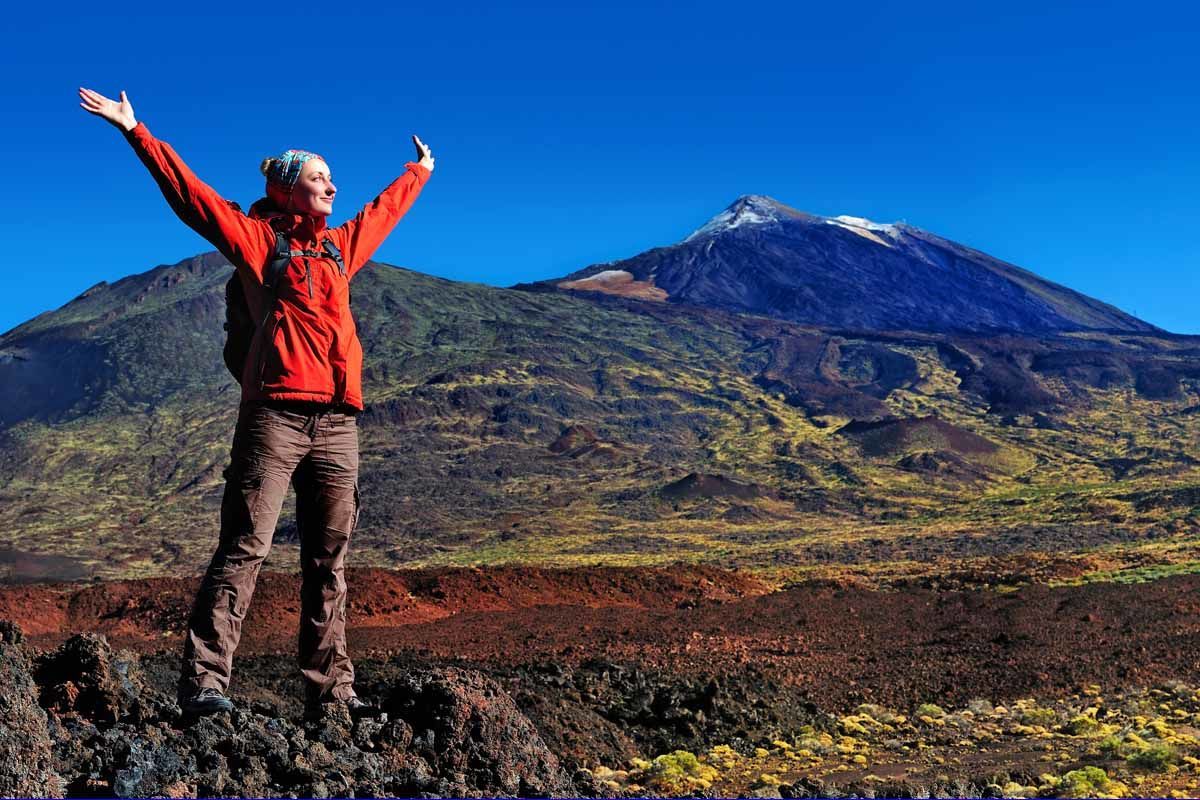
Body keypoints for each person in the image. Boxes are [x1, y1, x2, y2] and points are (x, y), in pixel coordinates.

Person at [78, 86, 434, 717]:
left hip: (338, 420)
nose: (331, 184)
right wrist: (137, 131)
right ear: (286, 190)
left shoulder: (337, 248)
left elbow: (382, 213)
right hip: (274, 415)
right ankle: (206, 685)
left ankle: (333, 695)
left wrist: (418, 172)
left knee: (330, 561)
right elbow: (194, 199)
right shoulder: (259, 242)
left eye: (331, 176)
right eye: (319, 177)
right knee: (246, 546)